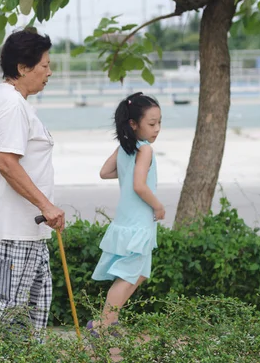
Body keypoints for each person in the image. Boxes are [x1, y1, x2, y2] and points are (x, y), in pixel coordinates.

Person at [0, 28, 65, 335]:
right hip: (14, 229)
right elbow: (7, 164)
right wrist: (46, 205)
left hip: (27, 227)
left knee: (31, 310)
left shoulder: (12, 100)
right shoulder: (11, 105)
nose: (49, 72)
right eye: (45, 65)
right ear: (23, 68)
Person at [87, 92, 163, 336]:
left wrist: (130, 170)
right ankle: (103, 325)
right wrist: (158, 206)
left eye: (159, 123)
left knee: (139, 274)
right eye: (152, 124)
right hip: (139, 223)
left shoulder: (126, 148)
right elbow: (139, 186)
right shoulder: (145, 150)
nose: (157, 129)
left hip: (127, 222)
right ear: (133, 124)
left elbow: (105, 172)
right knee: (128, 277)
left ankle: (111, 320)